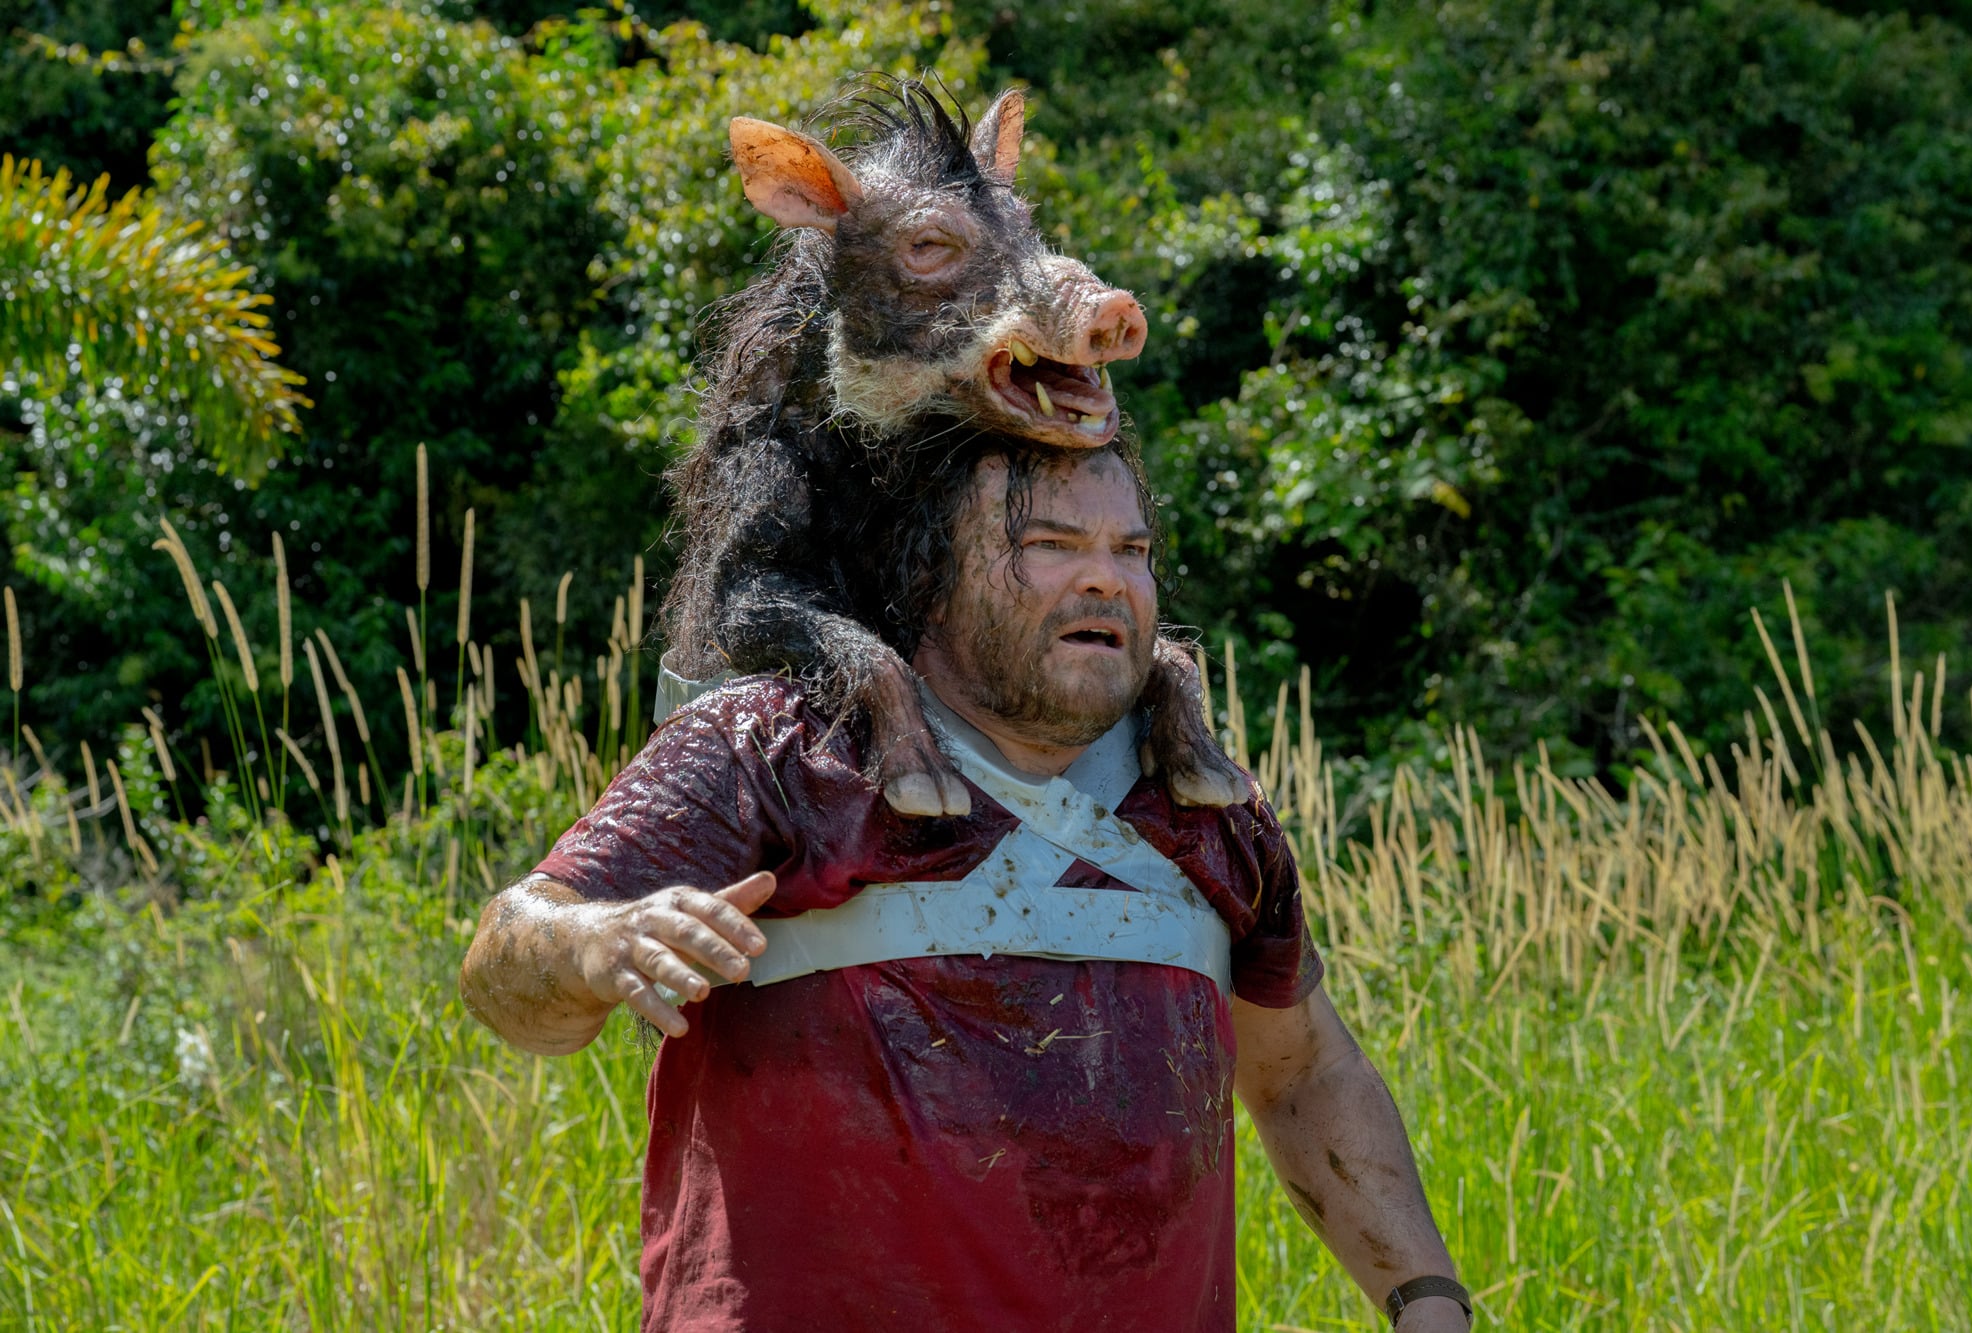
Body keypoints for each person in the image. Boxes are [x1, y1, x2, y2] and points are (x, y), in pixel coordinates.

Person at [459, 439, 1471, 1332]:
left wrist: (1424, 1297)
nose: (1105, 581)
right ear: (928, 575)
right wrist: (599, 941)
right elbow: (506, 960)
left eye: (1131, 551)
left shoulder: (1202, 803)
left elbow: (1298, 1074)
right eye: (1050, 544)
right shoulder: (774, 747)